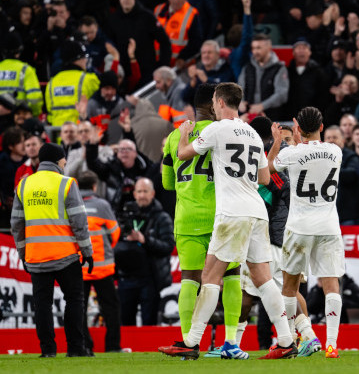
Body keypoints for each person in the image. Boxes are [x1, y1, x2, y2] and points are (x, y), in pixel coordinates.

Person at [159, 83, 295, 360]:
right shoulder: (253, 134)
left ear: (219, 102)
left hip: (231, 213)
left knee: (209, 276)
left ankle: (191, 341)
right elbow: (265, 179)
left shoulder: (217, 129)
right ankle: (285, 340)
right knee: (263, 278)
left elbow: (183, 154)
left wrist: (184, 135)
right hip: (257, 212)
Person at [161, 83, 245, 359]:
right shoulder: (221, 132)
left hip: (186, 218)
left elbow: (166, 183)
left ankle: (187, 344)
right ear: (214, 104)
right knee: (231, 275)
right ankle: (231, 341)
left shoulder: (174, 137)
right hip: (219, 216)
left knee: (190, 279)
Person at [266, 107, 345, 359]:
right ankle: (331, 345)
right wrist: (301, 140)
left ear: (297, 128)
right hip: (329, 226)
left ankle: (287, 340)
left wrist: (279, 140)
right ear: (322, 127)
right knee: (331, 285)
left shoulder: (292, 153)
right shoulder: (336, 151)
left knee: (289, 287)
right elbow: (314, 155)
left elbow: (270, 167)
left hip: (299, 227)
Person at [10, 143, 93, 357]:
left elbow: (16, 225)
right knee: (74, 300)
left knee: (42, 305)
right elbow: (79, 221)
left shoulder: (24, 184)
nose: (65, 163)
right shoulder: (66, 183)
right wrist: (87, 251)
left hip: (36, 257)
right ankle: (76, 349)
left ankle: (48, 351)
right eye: (64, 160)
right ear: (59, 160)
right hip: (65, 255)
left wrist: (23, 254)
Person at [113, 178, 175, 326]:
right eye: (139, 191)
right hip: (126, 278)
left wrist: (144, 239)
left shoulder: (162, 217)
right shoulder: (124, 216)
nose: (142, 195)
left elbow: (168, 246)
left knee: (150, 324)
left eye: (145, 191)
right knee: (125, 323)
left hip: (150, 279)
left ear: (152, 193)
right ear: (134, 194)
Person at [77, 170, 122, 354]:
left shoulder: (71, 204)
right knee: (111, 308)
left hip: (79, 267)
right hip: (102, 267)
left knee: (78, 308)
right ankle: (112, 346)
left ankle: (85, 345)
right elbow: (115, 232)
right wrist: (107, 248)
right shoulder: (102, 205)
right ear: (94, 186)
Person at [45, 40, 100, 127]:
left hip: (57, 135)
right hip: (81, 134)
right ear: (76, 59)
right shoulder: (89, 79)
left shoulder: (52, 83)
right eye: (83, 57)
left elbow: (50, 113)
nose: (86, 60)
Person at [238, 34, 289, 121]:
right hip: (248, 118)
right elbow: (239, 87)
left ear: (269, 48)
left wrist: (262, 106)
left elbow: (282, 94)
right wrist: (239, 102)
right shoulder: (247, 68)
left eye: (258, 48)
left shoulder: (279, 68)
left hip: (272, 119)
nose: (255, 51)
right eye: (253, 48)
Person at [154, 0, 203, 68]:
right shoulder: (158, 10)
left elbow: (196, 41)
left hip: (179, 66)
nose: (176, 1)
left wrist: (183, 57)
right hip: (158, 62)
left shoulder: (192, 14)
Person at [0, 32, 43, 115]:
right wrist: (33, 114)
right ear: (19, 51)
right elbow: (34, 98)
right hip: (19, 118)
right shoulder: (25, 70)